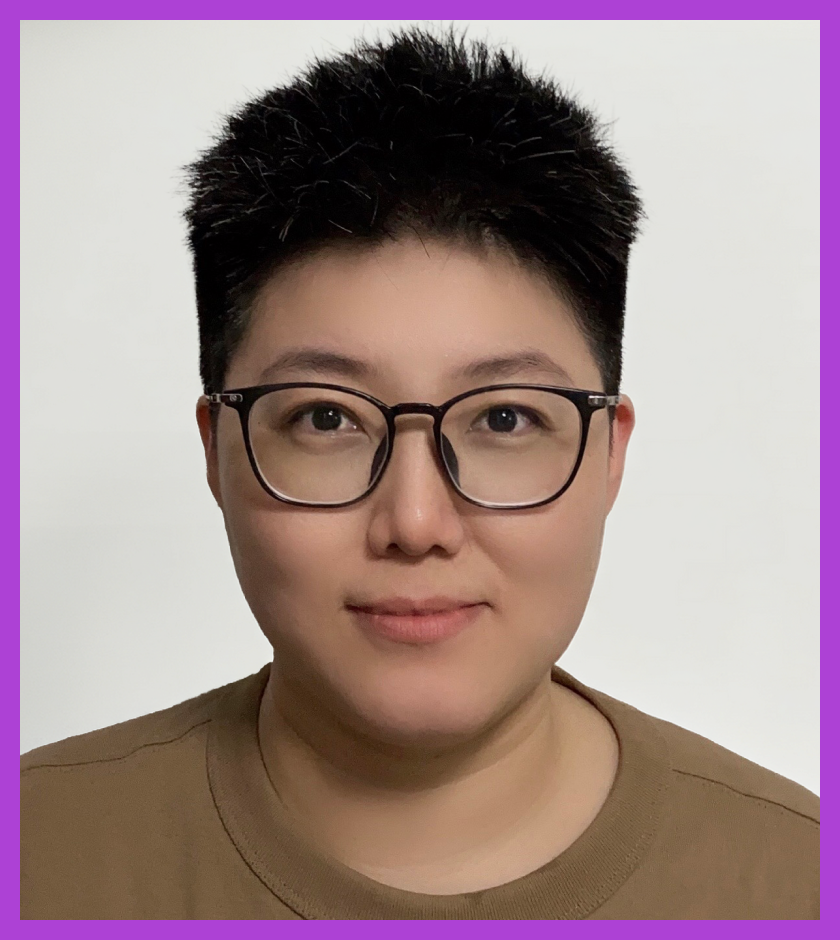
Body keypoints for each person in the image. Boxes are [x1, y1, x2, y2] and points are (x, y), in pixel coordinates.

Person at [20, 24, 818, 920]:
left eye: (504, 418)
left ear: (608, 454)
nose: (415, 522)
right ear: (218, 452)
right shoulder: (36, 855)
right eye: (326, 418)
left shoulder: (797, 884)